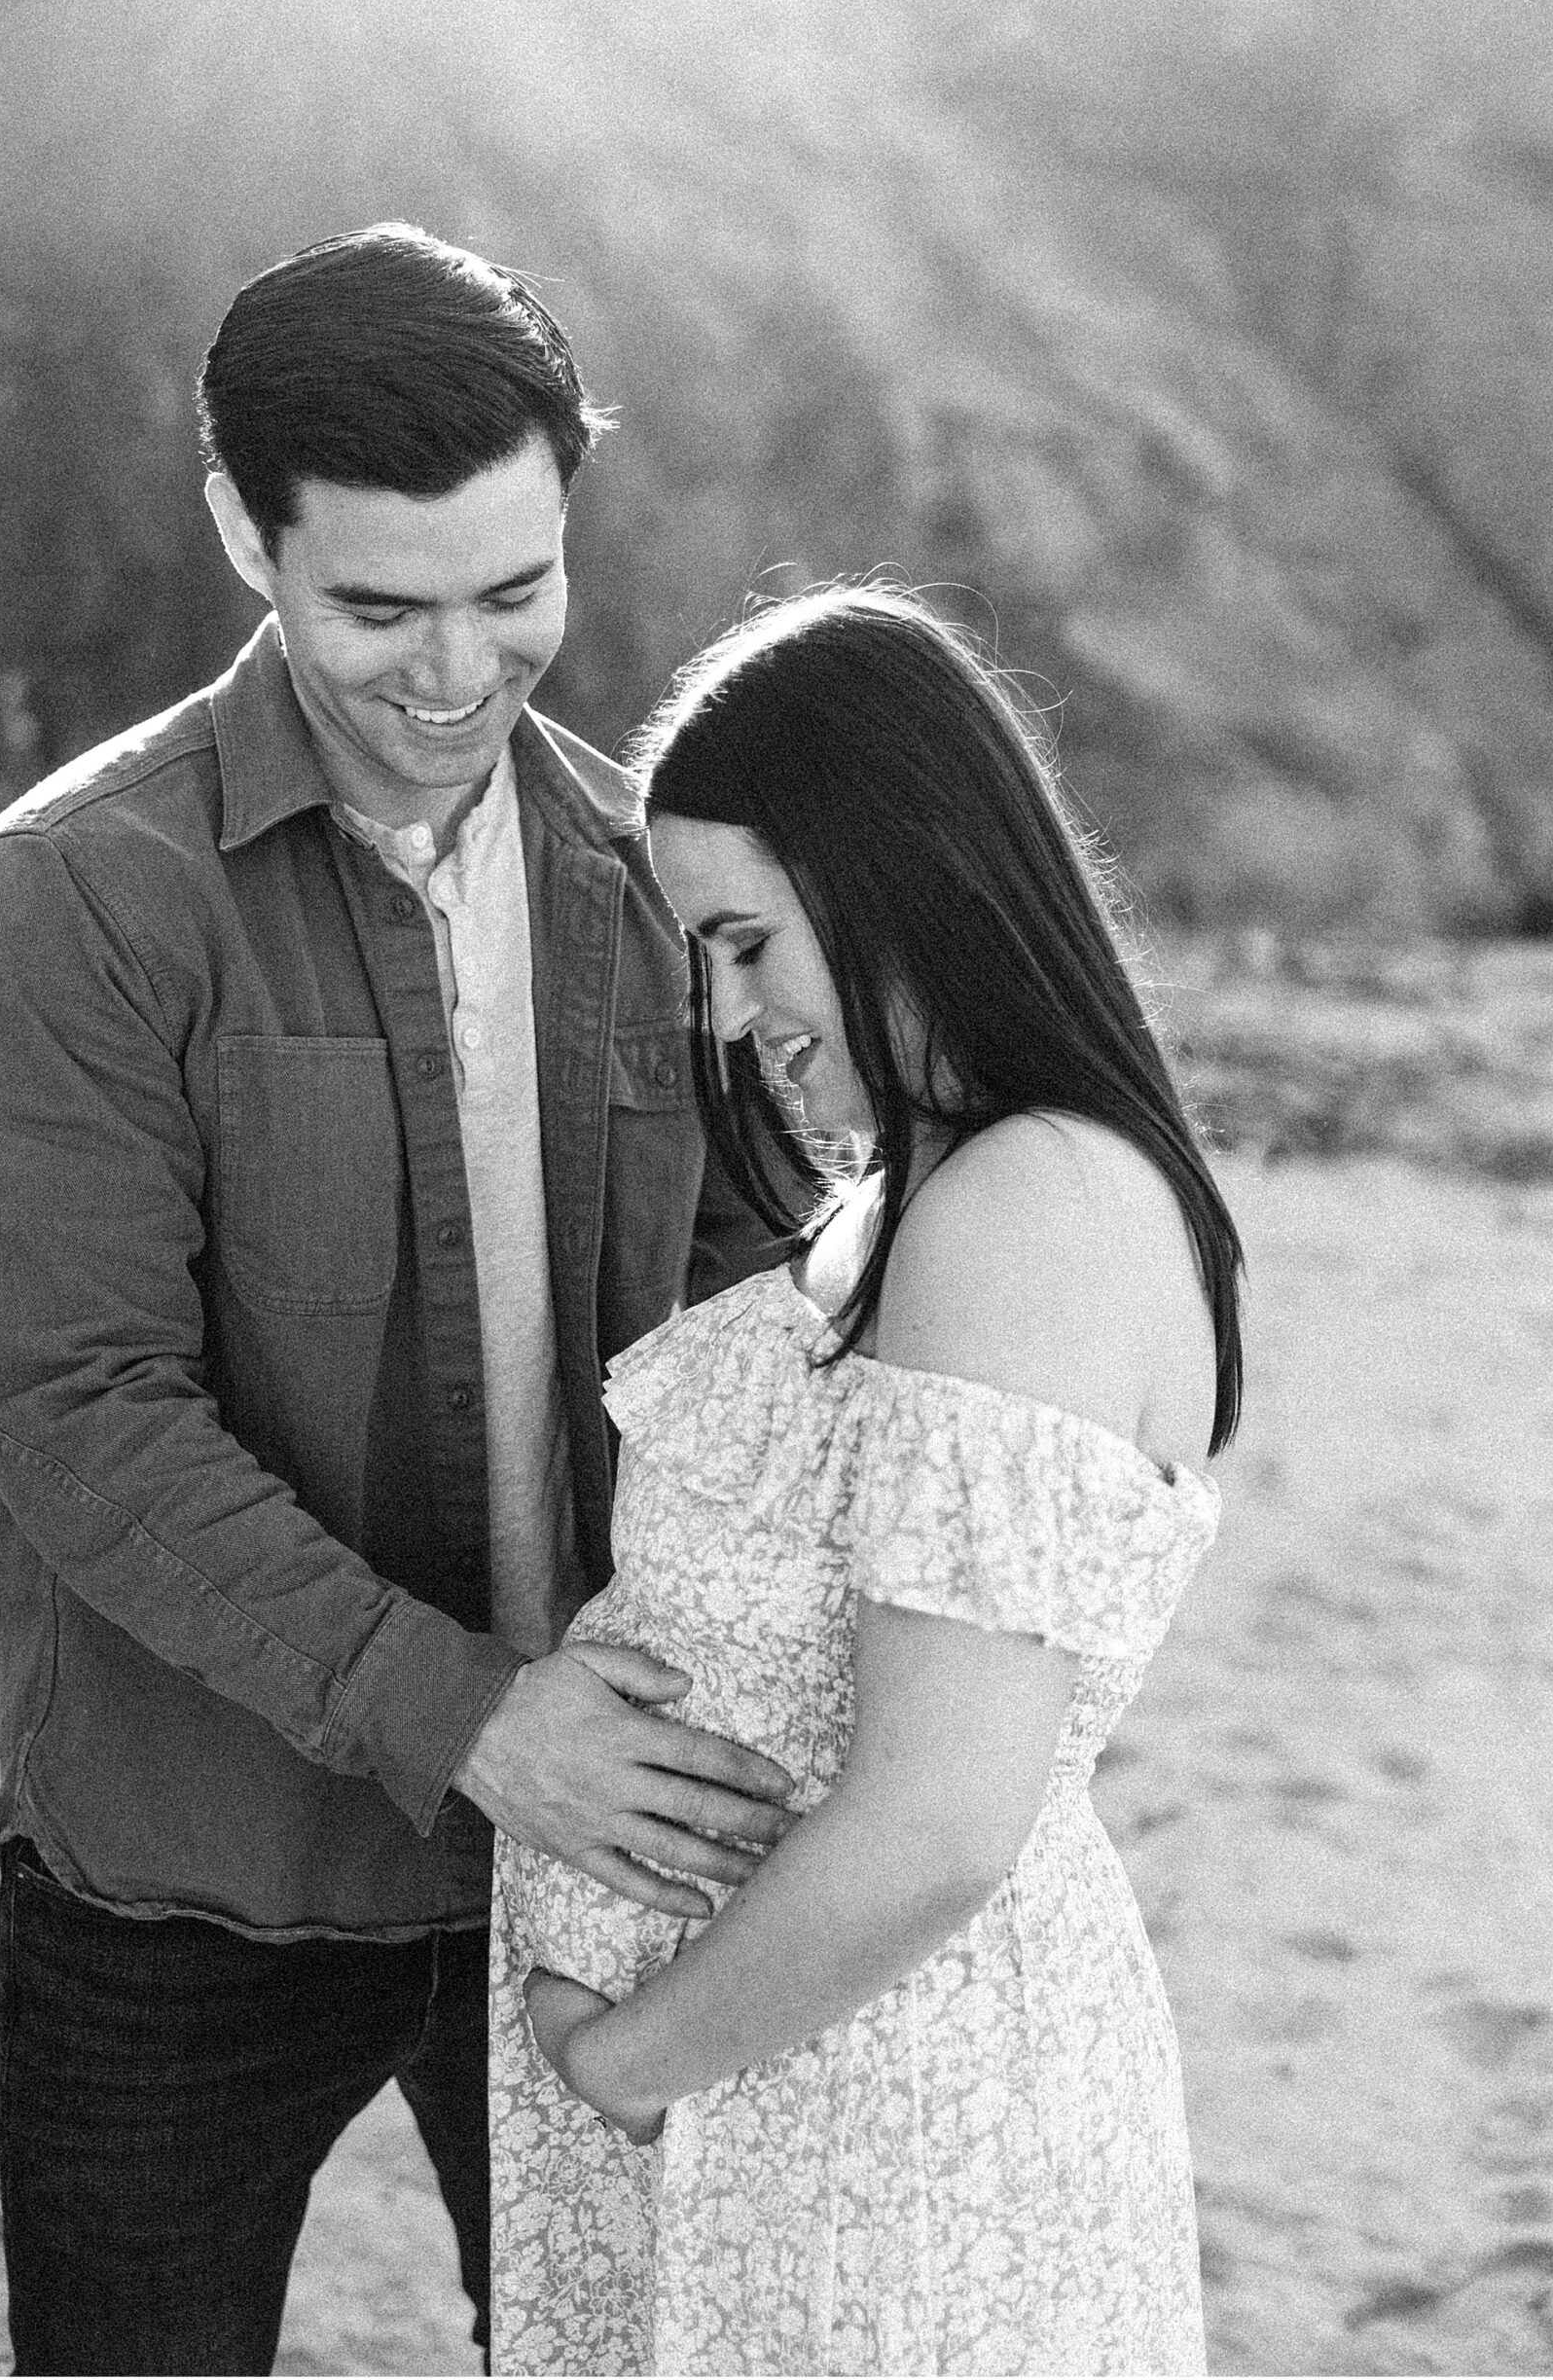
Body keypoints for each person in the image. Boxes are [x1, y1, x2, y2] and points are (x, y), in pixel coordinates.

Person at [0, 223, 797, 2378]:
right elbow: (84, 1420)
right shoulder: (66, 901)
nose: (451, 673)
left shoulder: (650, 873)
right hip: (184, 1885)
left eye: (516, 594)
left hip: (601, 1858)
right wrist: (473, 1716)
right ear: (246, 530)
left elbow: (750, 1327)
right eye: (378, 608)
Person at [488, 581, 1246, 2377]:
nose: (730, 1006)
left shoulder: (1024, 1214)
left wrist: (620, 2061)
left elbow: (937, 1825)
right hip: (791, 2079)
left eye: (748, 940)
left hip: (877, 2127)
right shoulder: (936, 1192)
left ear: (889, 873)